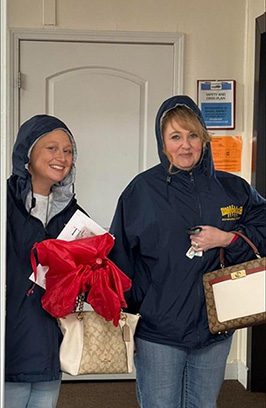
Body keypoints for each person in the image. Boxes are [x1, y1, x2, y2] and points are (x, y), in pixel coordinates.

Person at [109, 95, 266, 408]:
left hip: (214, 328)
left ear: (204, 138)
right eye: (176, 137)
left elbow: (261, 230)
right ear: (162, 141)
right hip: (159, 330)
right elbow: (120, 259)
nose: (186, 145)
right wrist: (132, 314)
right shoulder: (141, 191)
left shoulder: (233, 188)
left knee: (202, 405)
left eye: (193, 135)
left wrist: (227, 239)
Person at [5, 114, 86, 408]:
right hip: (11, 338)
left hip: (51, 339)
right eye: (51, 148)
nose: (61, 157)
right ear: (27, 153)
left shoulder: (73, 215)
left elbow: (88, 274)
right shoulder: (6, 206)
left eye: (68, 150)